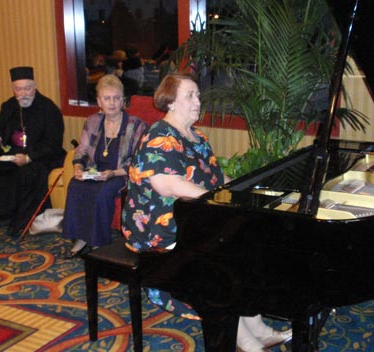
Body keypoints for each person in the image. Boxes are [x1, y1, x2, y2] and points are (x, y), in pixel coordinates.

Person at [121, 74, 292, 352]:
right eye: (190, 95)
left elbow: (217, 177)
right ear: (171, 102)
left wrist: (241, 194)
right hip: (159, 226)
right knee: (220, 262)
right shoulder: (159, 137)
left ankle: (258, 327)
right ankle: (248, 342)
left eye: (198, 95)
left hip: (195, 217)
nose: (198, 101)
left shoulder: (197, 137)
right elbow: (168, 185)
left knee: (244, 248)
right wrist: (215, 200)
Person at [0, 67, 66, 234]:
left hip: (40, 156)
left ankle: (22, 220)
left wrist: (29, 157)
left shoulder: (48, 109)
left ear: (35, 86)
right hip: (13, 153)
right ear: (13, 89)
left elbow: (53, 143)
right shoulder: (9, 106)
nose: (23, 93)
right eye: (18, 89)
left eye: (27, 88)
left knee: (29, 173)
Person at [63, 74, 147, 258]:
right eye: (107, 98)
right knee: (75, 185)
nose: (112, 103)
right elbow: (82, 149)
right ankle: (81, 238)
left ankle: (98, 243)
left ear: (123, 100)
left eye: (116, 98)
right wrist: (78, 167)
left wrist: (113, 173)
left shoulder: (136, 125)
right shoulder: (93, 121)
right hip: (95, 170)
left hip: (121, 174)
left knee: (101, 192)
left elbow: (139, 160)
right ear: (99, 101)